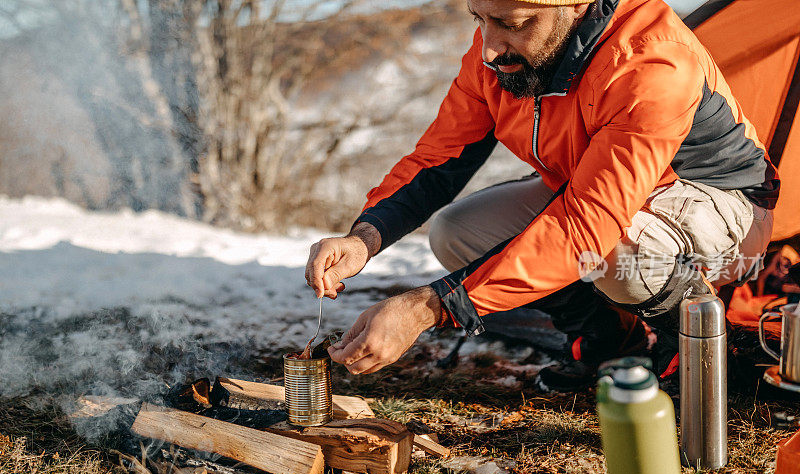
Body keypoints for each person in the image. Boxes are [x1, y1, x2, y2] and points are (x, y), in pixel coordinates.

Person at [304, 0, 779, 389]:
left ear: (575, 6)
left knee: (613, 249)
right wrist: (364, 237)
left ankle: (704, 352)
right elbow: (440, 158)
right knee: (456, 232)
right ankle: (612, 346)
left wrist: (428, 308)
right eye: (479, 20)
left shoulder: (649, 62)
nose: (489, 48)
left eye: (512, 25)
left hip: (724, 204)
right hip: (601, 194)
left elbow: (584, 229)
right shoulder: (501, 53)